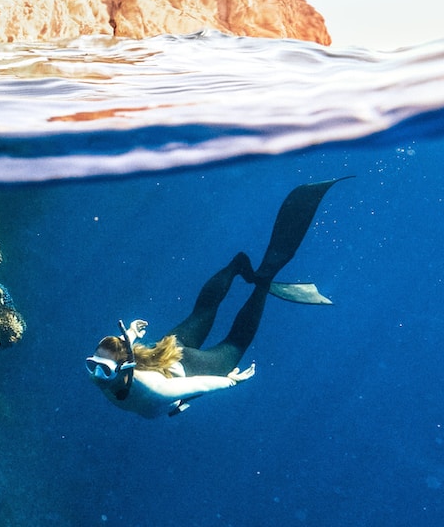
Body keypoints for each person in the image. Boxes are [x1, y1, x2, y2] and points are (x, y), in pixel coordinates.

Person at [85, 179, 345, 418]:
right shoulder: (112, 368)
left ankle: (263, 281)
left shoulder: (155, 390)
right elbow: (119, 350)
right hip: (163, 353)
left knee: (236, 342)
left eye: (104, 370)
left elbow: (199, 384)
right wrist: (130, 334)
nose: (97, 375)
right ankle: (236, 266)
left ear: (123, 368)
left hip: (189, 369)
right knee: (201, 312)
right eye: (92, 365)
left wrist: (231, 381)